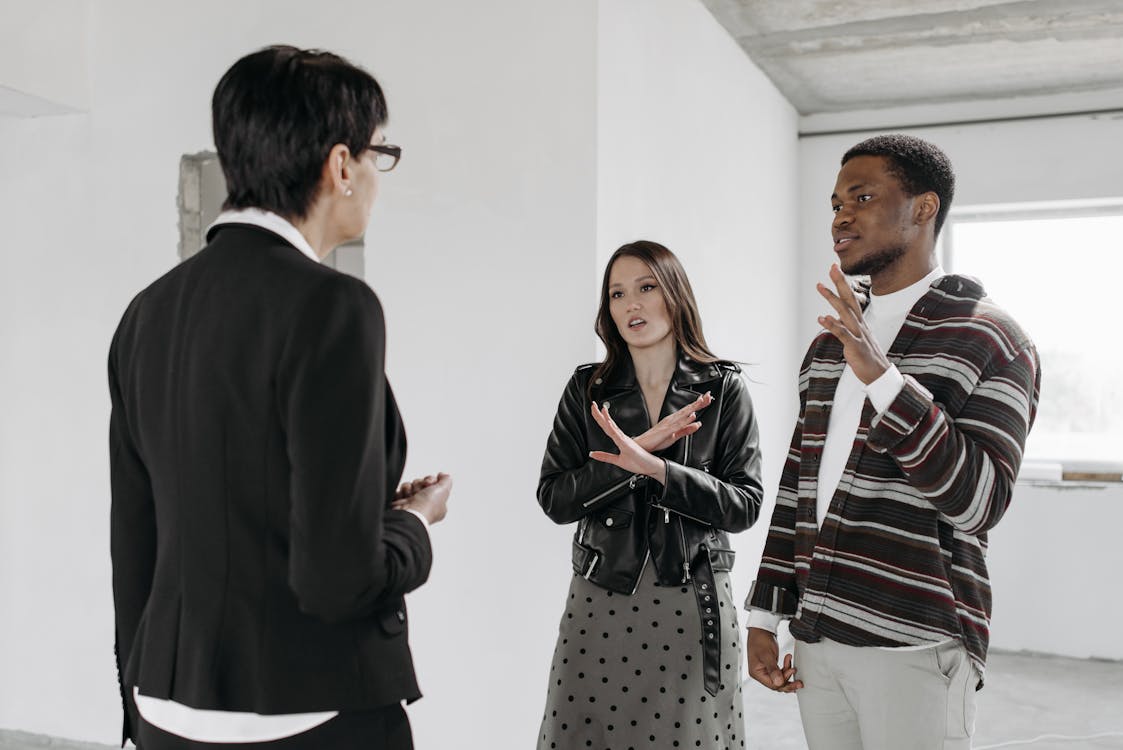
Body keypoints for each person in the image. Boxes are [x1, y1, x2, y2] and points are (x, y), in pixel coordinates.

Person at [108, 45, 450, 750]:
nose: (377, 178)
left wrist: (136, 706)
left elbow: (135, 539)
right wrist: (413, 522)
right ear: (340, 166)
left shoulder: (147, 311)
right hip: (307, 708)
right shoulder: (335, 307)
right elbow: (337, 582)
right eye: (378, 154)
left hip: (166, 708)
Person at [744, 134, 1041, 750]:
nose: (840, 216)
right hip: (818, 641)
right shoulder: (829, 344)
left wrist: (884, 379)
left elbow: (978, 503)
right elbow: (799, 483)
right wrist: (766, 613)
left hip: (915, 642)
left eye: (862, 196)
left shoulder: (993, 340)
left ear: (924, 209)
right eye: (833, 203)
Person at [535, 240, 765, 750]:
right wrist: (636, 453)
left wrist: (657, 469)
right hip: (598, 598)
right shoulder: (586, 389)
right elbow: (555, 498)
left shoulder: (724, 387)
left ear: (675, 294)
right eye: (617, 294)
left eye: (646, 287)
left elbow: (744, 503)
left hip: (691, 599)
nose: (631, 304)